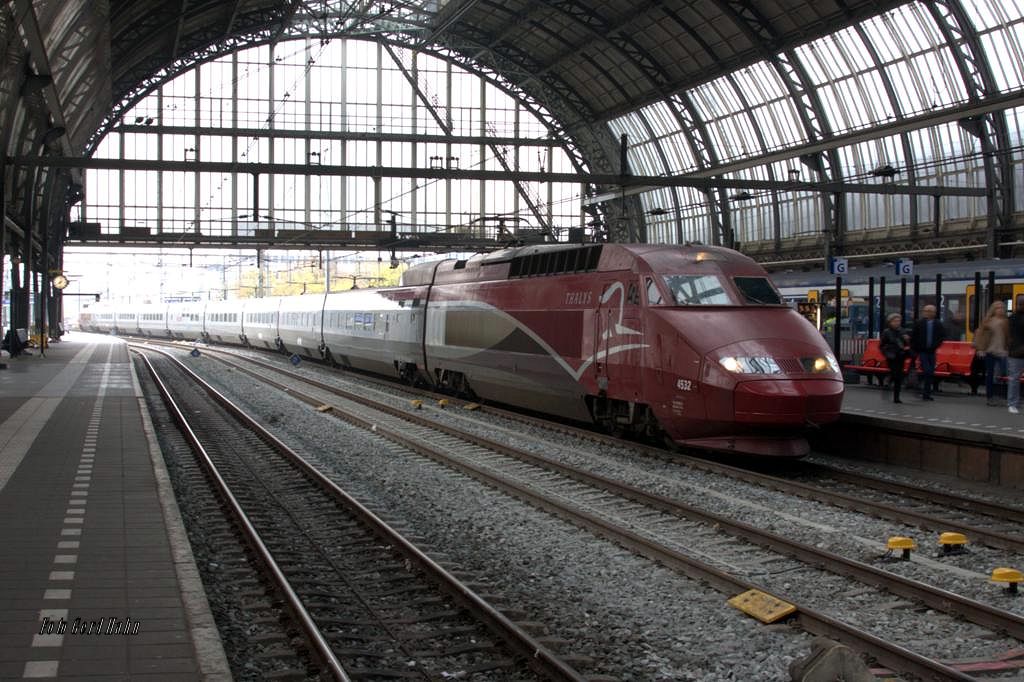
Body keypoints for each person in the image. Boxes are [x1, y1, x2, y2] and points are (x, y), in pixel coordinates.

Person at [974, 301, 1010, 406]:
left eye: (1002, 308)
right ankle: (990, 397)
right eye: (998, 308)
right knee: (990, 375)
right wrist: (980, 349)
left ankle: (1003, 396)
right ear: (993, 310)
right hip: (990, 351)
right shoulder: (988, 322)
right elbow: (980, 336)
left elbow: (1009, 337)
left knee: (1004, 373)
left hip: (1003, 352)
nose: (1000, 310)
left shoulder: (1006, 322)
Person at [910, 304, 946, 401]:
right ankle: (924, 391)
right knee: (927, 370)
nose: (929, 313)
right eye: (927, 311)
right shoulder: (919, 323)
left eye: (931, 311)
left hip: (932, 351)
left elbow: (942, 336)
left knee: (930, 372)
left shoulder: (938, 324)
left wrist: (935, 345)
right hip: (922, 351)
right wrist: (915, 349)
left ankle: (926, 393)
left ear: (934, 313)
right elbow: (913, 337)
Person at [879, 312, 910, 404]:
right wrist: (887, 353)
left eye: (898, 321)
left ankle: (896, 397)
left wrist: (907, 340)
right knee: (895, 374)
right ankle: (888, 381)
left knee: (898, 376)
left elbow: (907, 344)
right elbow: (882, 345)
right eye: (895, 321)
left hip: (900, 356)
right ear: (890, 322)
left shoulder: (902, 331)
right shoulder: (886, 332)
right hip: (891, 356)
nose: (897, 323)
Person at [1008, 295, 1024, 414]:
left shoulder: (1012, 318)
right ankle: (1013, 403)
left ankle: (1014, 403)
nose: (1020, 306)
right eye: (1020, 303)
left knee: (1014, 379)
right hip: (1016, 353)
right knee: (1014, 379)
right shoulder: (1013, 318)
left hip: (1016, 352)